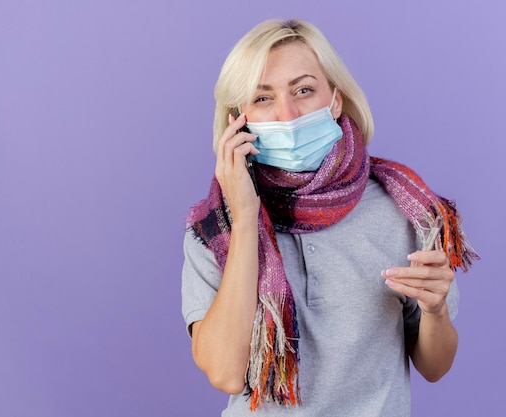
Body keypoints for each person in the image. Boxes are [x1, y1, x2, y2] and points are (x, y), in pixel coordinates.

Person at [182, 18, 478, 417]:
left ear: (335, 100)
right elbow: (226, 373)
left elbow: (435, 366)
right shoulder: (214, 228)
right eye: (263, 98)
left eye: (303, 90)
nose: (287, 115)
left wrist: (436, 310)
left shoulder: (404, 209)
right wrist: (247, 215)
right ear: (240, 117)